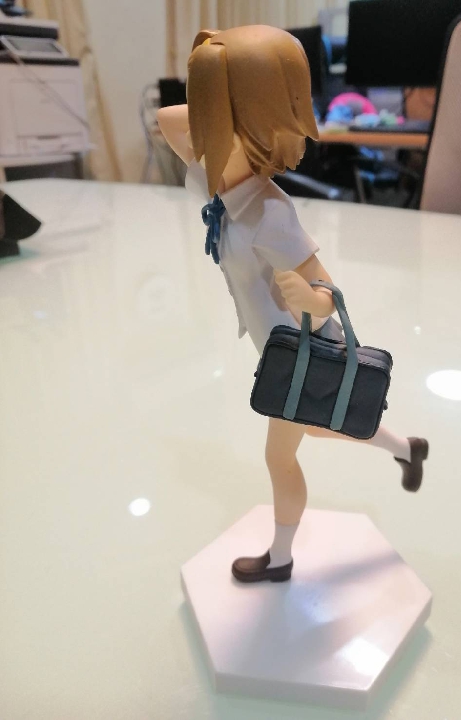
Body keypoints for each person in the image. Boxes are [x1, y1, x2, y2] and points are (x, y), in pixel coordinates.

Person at [158, 25, 428, 584]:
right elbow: (170, 120)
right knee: (329, 426)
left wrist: (311, 298)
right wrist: (219, 67)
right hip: (278, 348)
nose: (200, 133)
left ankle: (280, 559)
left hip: (304, 348)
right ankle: (407, 448)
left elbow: (327, 292)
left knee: (281, 456)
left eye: (218, 117)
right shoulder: (218, 181)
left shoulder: (269, 212)